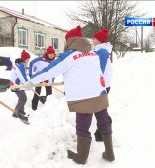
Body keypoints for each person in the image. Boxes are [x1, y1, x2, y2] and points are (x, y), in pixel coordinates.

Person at [24, 26, 115, 164]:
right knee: (103, 122)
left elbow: (50, 70)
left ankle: (81, 157)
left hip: (83, 97)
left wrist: (32, 81)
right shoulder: (93, 53)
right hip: (100, 93)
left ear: (70, 41)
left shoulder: (69, 56)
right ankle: (110, 153)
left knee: (83, 127)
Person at [93, 29, 113, 142]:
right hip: (102, 84)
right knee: (99, 108)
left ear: (99, 40)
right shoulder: (101, 50)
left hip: (101, 85)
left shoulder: (102, 52)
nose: (93, 40)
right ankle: (102, 131)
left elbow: (99, 69)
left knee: (100, 108)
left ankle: (103, 131)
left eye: (94, 39)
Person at [29, 46, 56, 110]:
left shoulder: (54, 62)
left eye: (53, 54)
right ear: (47, 54)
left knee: (49, 95)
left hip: (48, 80)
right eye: (50, 54)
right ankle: (34, 108)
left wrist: (52, 80)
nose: (52, 56)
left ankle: (49, 108)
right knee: (37, 93)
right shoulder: (40, 59)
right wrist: (31, 75)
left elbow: (54, 71)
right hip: (39, 79)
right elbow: (31, 64)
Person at [9, 50, 30, 122]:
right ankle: (18, 112)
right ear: (25, 59)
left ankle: (18, 112)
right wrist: (28, 84)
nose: (28, 60)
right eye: (28, 59)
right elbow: (23, 77)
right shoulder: (20, 66)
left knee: (22, 98)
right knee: (23, 98)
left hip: (16, 84)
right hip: (16, 85)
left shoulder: (18, 65)